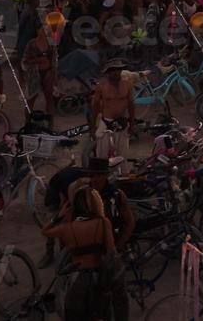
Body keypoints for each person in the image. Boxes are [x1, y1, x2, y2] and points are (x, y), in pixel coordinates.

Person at [42, 179, 128, 321]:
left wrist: (60, 215)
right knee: (102, 314)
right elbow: (111, 252)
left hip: (77, 280)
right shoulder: (103, 223)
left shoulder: (67, 228)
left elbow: (45, 232)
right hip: (99, 280)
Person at [90, 59, 135, 160]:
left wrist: (132, 124)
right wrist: (92, 127)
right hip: (106, 122)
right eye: (113, 70)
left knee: (122, 155)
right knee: (102, 156)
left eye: (118, 69)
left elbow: (131, 105)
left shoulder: (127, 85)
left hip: (122, 122)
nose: (116, 72)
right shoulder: (101, 86)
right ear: (108, 72)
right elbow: (95, 107)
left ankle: (122, 174)